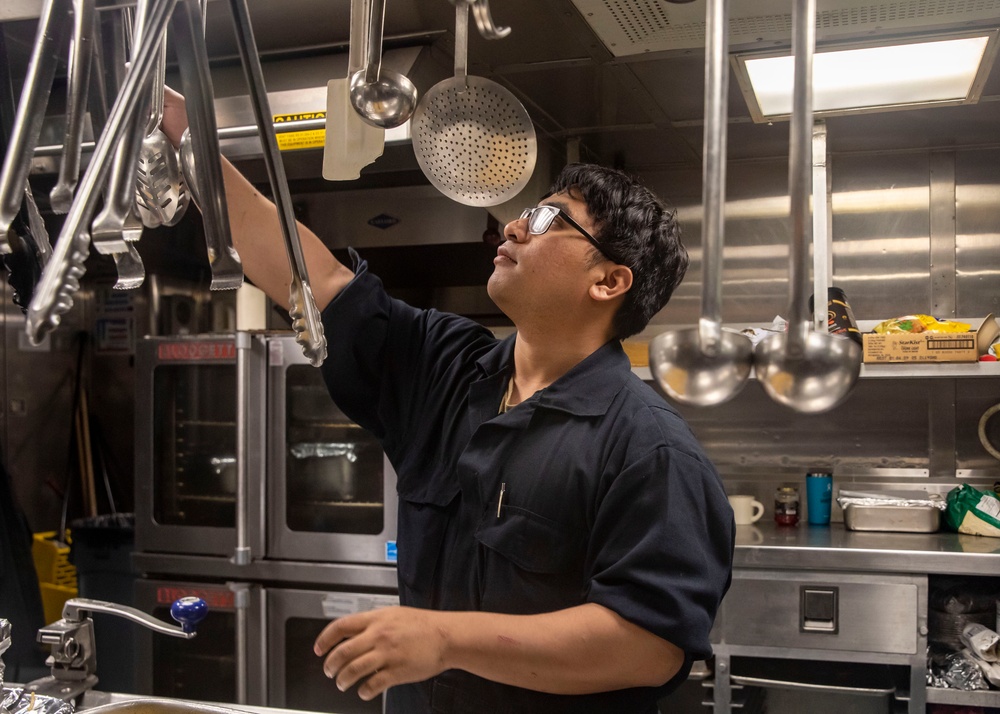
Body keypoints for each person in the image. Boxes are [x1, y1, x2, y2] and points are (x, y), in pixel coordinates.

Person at [162, 88, 734, 714]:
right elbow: (313, 279)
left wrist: (444, 638)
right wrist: (185, 135)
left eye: (548, 220)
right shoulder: (447, 369)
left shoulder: (649, 450)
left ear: (608, 280)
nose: (514, 224)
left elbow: (648, 646)